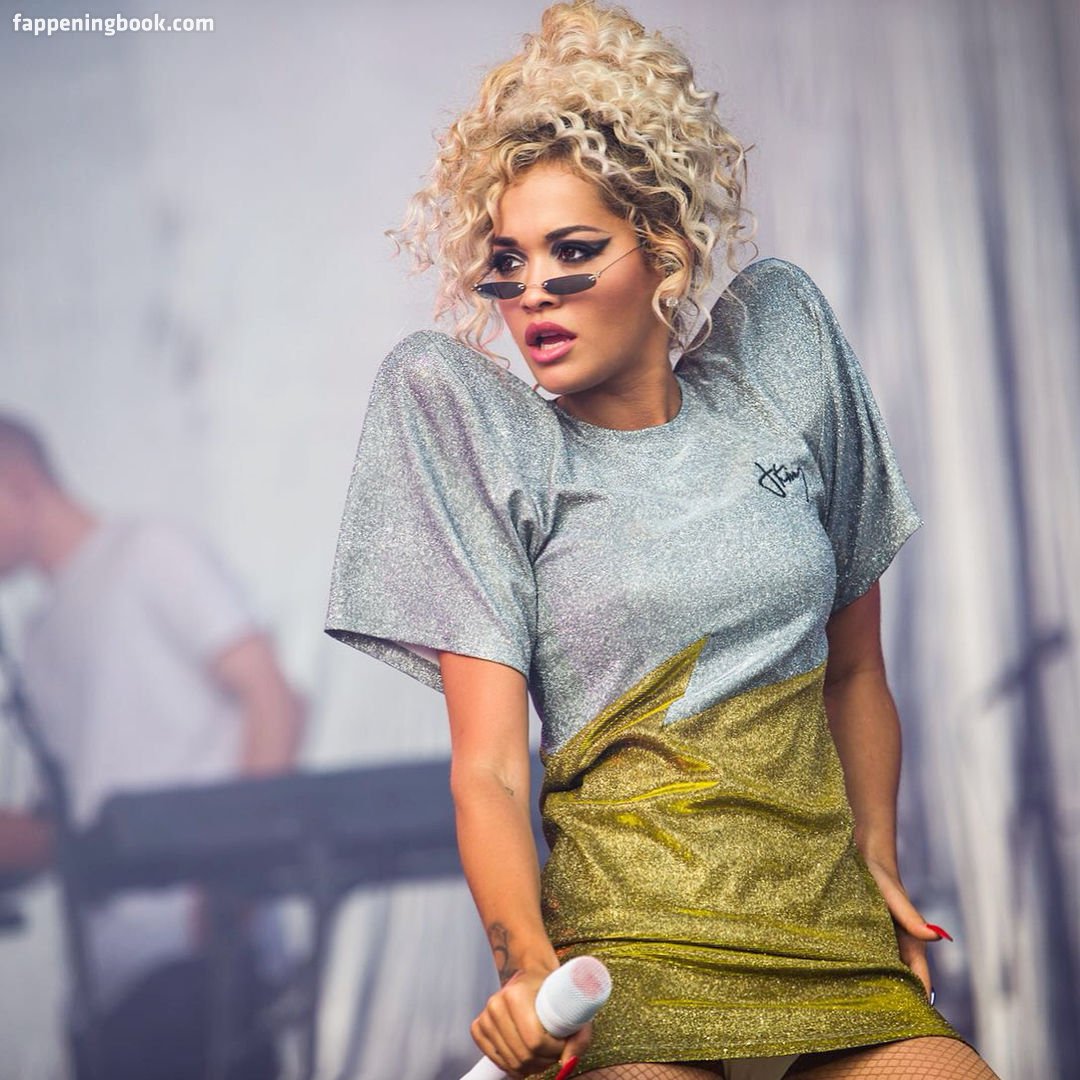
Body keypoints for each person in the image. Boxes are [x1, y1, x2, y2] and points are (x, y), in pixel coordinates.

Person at [324, 3, 1001, 1078]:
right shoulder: (486, 437)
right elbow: (487, 769)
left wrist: (878, 853)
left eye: (573, 252)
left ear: (664, 255)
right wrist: (525, 966)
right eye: (507, 263)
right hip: (626, 960)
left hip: (828, 938)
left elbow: (857, 670)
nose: (532, 291)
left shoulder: (780, 364)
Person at [0, 411, 305, 1079]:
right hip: (104, 991)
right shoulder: (38, 636)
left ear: (16, 479)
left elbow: (272, 698)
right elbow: (71, 824)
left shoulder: (148, 551)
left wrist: (235, 878)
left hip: (201, 967)